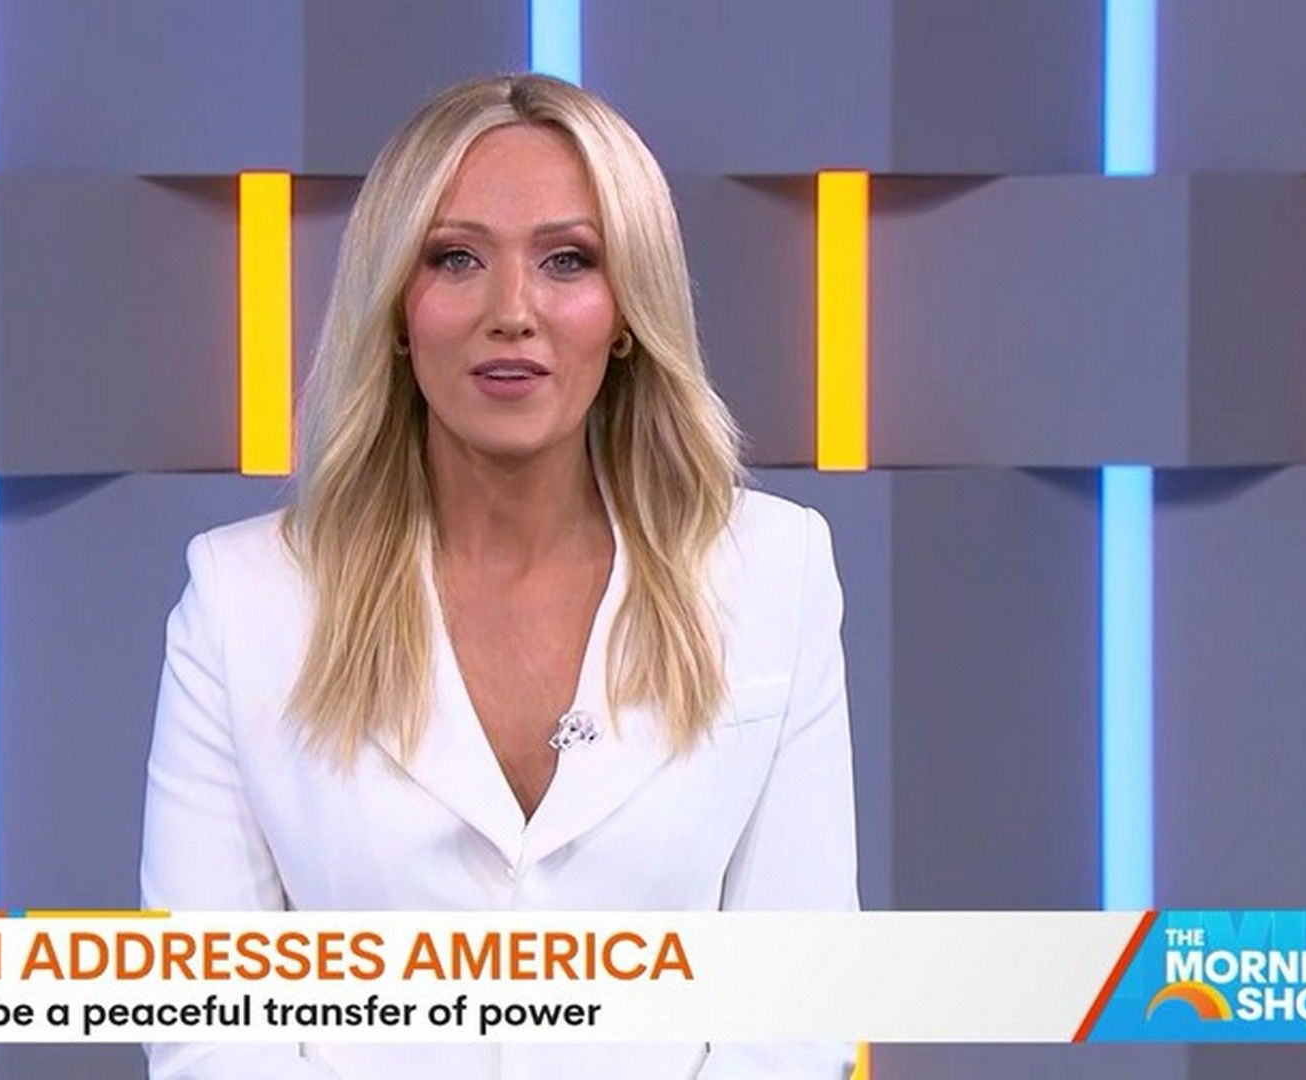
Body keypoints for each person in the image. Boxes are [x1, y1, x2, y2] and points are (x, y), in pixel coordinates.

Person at [141, 72, 858, 1079]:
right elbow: (211, 1029)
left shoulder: (774, 571)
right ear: (397, 308)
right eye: (456, 258)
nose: (511, 311)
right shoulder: (242, 599)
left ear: (626, 309)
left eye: (568, 260)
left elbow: (797, 1005)